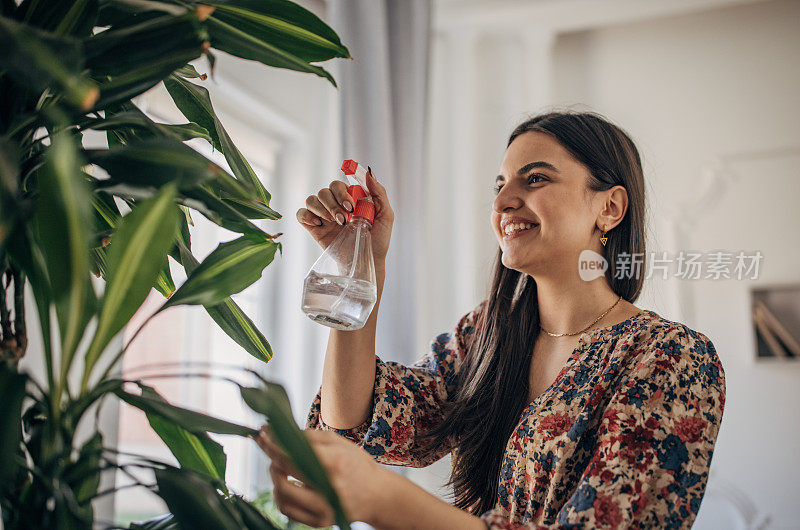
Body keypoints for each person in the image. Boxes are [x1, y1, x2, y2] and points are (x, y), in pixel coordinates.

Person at [255, 110, 727, 529]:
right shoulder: (484, 333)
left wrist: (383, 500)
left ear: (609, 207)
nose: (503, 202)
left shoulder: (670, 358)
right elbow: (356, 422)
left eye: (535, 179)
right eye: (499, 186)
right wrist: (363, 264)